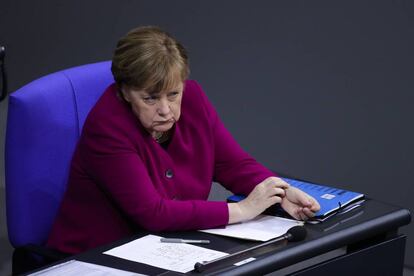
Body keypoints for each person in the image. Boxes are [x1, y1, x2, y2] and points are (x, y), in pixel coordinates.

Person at [47, 26, 320, 254]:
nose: (165, 109)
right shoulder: (106, 127)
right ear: (125, 92)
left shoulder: (193, 97)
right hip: (98, 256)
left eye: (173, 94)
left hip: (166, 247)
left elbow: (230, 163)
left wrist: (279, 192)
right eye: (150, 98)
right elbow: (153, 213)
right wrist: (242, 210)